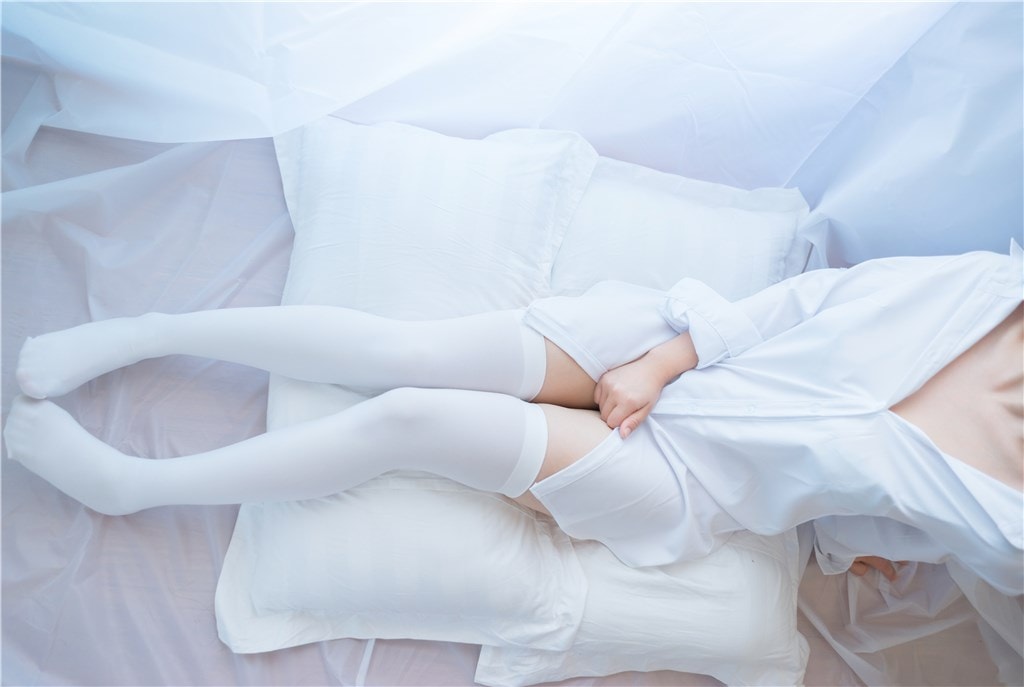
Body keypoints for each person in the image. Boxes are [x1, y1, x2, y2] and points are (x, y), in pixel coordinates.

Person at [5, 242, 1022, 596]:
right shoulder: (994, 293)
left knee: (408, 418)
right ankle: (147, 332)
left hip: (690, 484)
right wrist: (663, 362)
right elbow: (814, 301)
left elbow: (888, 523)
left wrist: (849, 545)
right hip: (687, 348)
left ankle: (129, 486)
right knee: (408, 355)